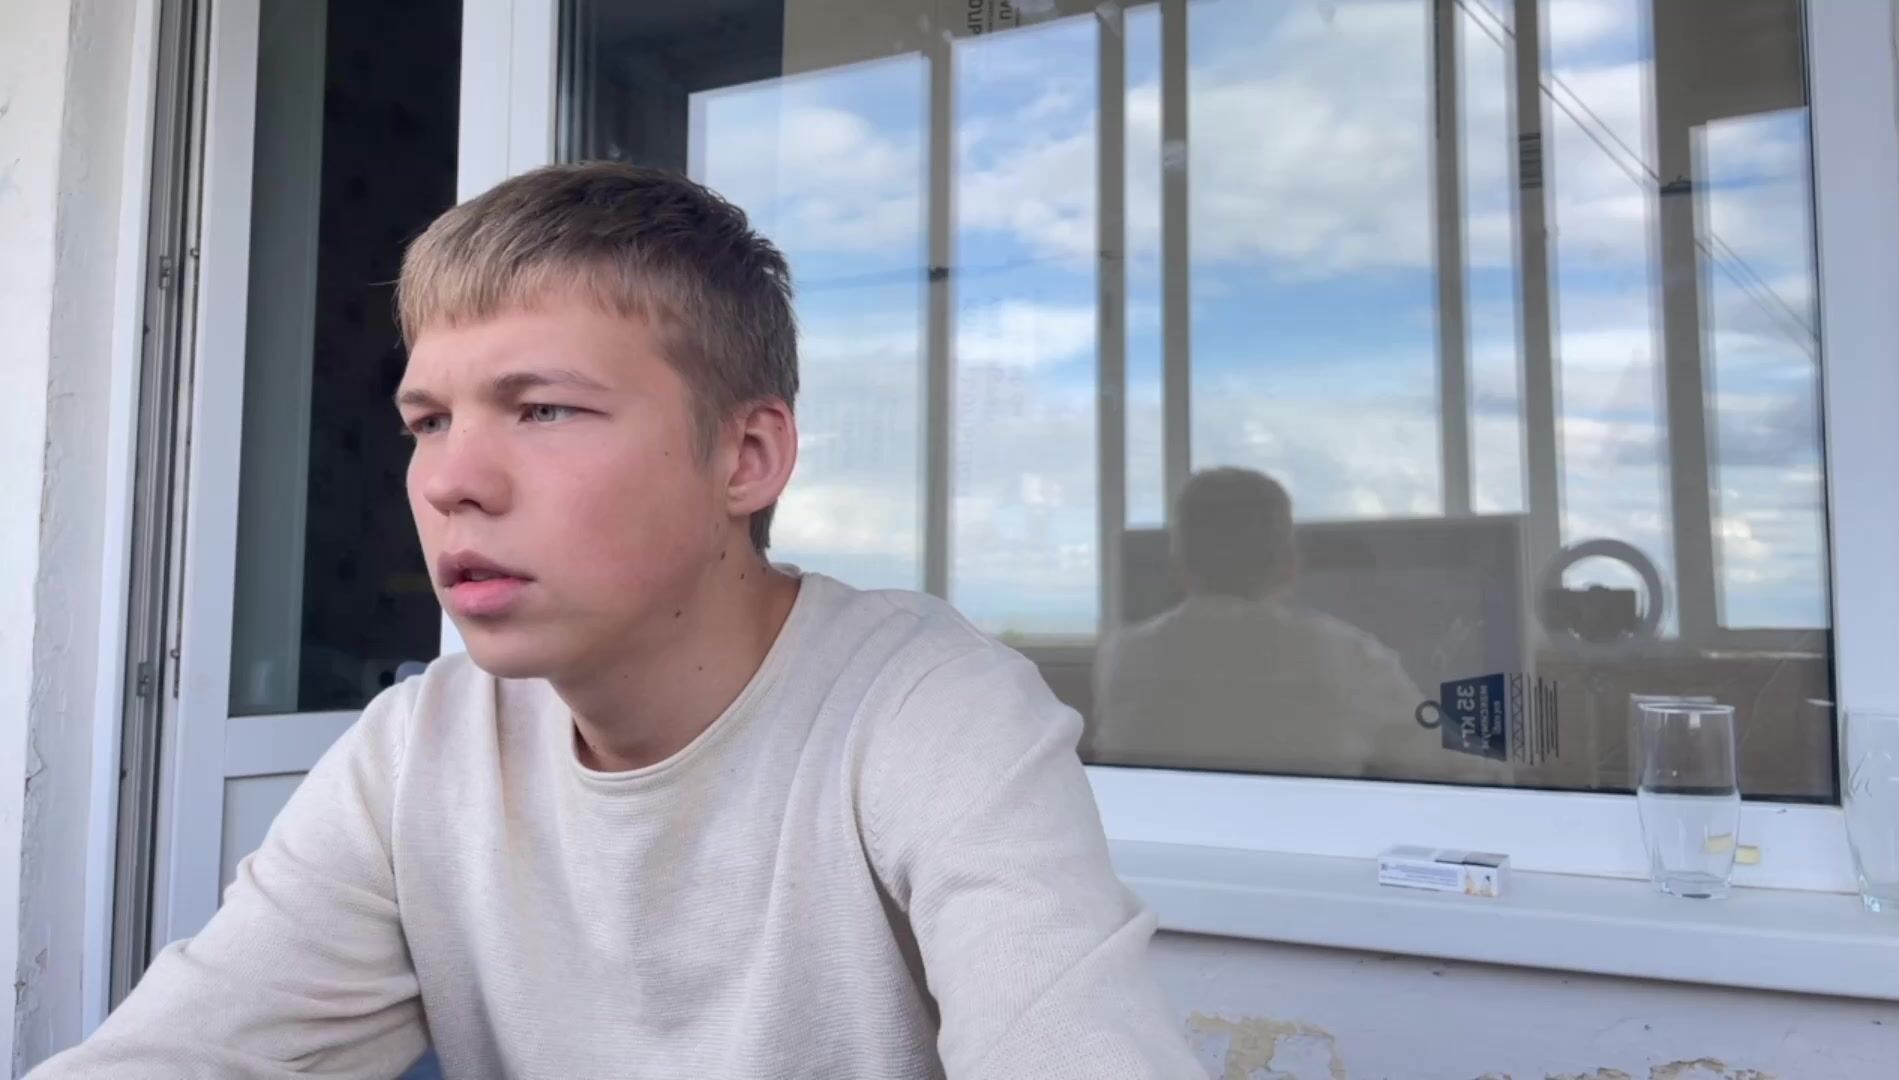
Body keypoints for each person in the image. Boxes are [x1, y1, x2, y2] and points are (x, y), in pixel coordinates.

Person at [34, 164, 1203, 1079]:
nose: (451, 482)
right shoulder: (417, 751)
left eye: (542, 408)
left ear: (746, 456)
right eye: (428, 422)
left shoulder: (926, 714)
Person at [1093, 467, 1478, 782]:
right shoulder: (1350, 657)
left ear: (1178, 567)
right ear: (1289, 564)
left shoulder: (1122, 657)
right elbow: (1448, 768)